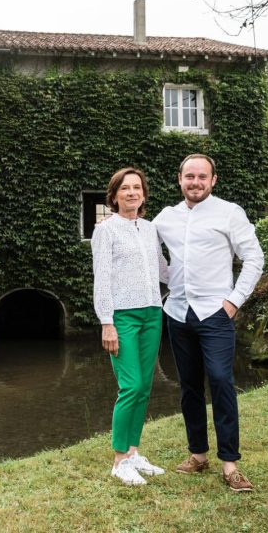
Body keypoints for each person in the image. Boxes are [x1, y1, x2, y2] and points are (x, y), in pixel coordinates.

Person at [153, 154, 263, 492]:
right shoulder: (166, 217)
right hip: (178, 313)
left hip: (215, 313)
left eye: (202, 176)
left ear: (213, 180)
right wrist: (170, 278)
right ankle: (198, 454)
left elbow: (254, 257)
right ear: (180, 179)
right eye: (190, 176)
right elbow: (150, 251)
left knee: (220, 380)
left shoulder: (229, 213)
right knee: (188, 386)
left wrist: (233, 301)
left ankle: (230, 463)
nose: (195, 182)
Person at [92, 167, 169, 486]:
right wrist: (107, 323)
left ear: (144, 194)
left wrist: (195, 283)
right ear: (114, 195)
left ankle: (133, 453)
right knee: (131, 385)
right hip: (122, 316)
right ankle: (119, 461)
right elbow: (101, 278)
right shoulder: (105, 230)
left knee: (145, 386)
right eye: (125, 188)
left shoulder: (150, 229)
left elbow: (162, 268)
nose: (132, 193)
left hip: (153, 312)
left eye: (137, 187)